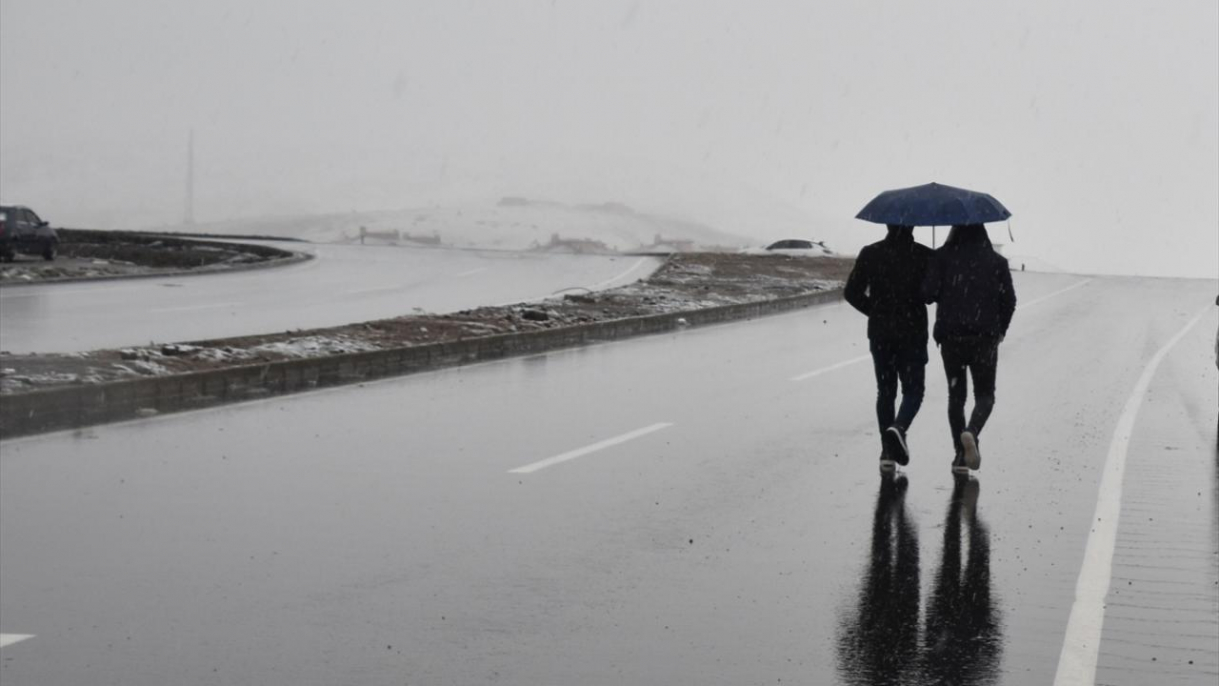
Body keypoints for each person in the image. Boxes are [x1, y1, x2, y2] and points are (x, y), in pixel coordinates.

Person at [922, 224, 1017, 473]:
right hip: (984, 338)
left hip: (951, 337)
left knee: (956, 397)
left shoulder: (943, 256)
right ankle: (971, 432)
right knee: (985, 395)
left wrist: (938, 270)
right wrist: (1000, 330)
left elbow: (928, 294)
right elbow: (1010, 300)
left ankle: (959, 456)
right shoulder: (996, 262)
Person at [845, 224, 933, 471]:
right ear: (913, 226)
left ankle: (887, 451)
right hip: (913, 333)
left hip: (881, 333)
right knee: (913, 390)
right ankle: (899, 427)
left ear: (887, 224)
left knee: (885, 391)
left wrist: (875, 311)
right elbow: (930, 295)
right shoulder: (924, 255)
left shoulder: (870, 253)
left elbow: (851, 292)